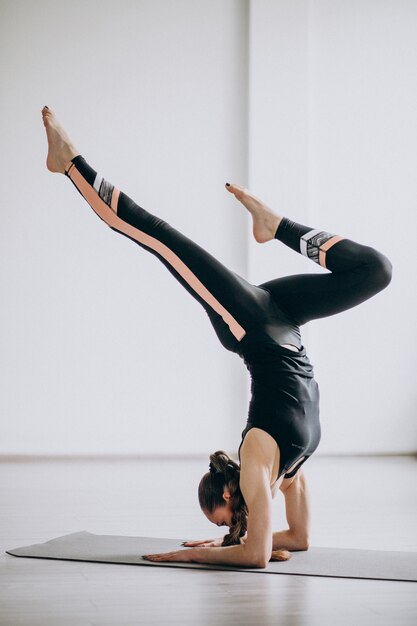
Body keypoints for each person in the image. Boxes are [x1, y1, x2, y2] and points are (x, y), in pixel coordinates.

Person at [41, 106, 392, 568]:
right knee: (375, 271)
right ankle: (275, 227)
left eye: (223, 520)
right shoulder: (287, 472)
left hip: (250, 328)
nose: (230, 526)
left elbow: (257, 554)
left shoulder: (255, 465)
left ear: (228, 491)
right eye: (226, 526)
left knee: (162, 239)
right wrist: (231, 545)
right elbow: (296, 540)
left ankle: (70, 163)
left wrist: (193, 556)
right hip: (284, 322)